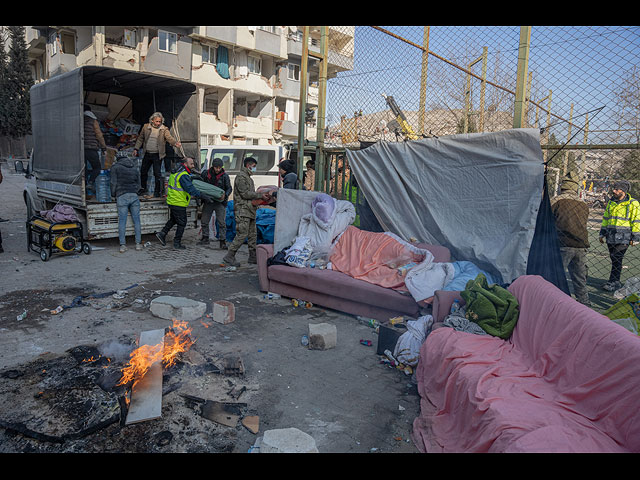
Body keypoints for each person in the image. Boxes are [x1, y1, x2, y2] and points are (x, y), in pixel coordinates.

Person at [550, 172, 591, 305]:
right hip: (581, 244)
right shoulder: (583, 204)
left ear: (562, 187)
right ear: (576, 188)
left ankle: (554, 303)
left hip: (563, 243)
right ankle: (584, 303)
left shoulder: (556, 200)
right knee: (579, 278)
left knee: (556, 276)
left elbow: (547, 219)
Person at [223, 157, 270, 266]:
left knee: (253, 235)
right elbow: (245, 194)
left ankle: (252, 257)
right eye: (254, 166)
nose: (254, 169)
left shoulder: (248, 178)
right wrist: (260, 196)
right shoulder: (241, 177)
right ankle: (229, 256)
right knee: (242, 234)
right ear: (249, 165)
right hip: (243, 210)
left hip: (250, 210)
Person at [599, 180, 640, 292]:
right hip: (610, 236)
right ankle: (614, 281)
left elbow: (636, 221)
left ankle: (613, 282)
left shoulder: (633, 203)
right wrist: (602, 233)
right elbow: (606, 219)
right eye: (614, 188)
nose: (614, 191)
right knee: (614, 259)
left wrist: (636, 237)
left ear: (624, 191)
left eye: (617, 189)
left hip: (624, 237)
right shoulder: (611, 202)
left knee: (617, 258)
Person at [155, 157, 204, 250]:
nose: (193, 166)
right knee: (182, 223)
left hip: (173, 201)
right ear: (185, 164)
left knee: (174, 219)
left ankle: (162, 234)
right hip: (178, 202)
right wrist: (202, 195)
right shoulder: (183, 175)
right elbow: (190, 189)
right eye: (191, 164)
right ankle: (177, 243)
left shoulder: (176, 172)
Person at [133, 112, 181, 198]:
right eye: (157, 121)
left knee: (157, 174)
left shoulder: (164, 129)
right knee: (143, 171)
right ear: (152, 121)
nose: (158, 123)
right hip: (147, 153)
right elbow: (140, 139)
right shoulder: (145, 127)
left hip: (157, 155)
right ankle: (143, 188)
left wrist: (175, 143)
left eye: (160, 121)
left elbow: (169, 138)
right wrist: (136, 149)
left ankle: (157, 191)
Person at [110, 153, 142, 253]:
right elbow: (139, 183)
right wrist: (135, 191)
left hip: (121, 195)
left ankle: (123, 246)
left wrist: (113, 194)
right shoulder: (134, 167)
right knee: (136, 220)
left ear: (117, 159)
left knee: (122, 221)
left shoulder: (115, 167)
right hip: (134, 195)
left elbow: (113, 182)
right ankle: (138, 244)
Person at [199, 158, 232, 249]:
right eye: (216, 167)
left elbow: (229, 188)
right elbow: (201, 184)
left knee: (222, 222)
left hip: (220, 203)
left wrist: (225, 196)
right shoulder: (206, 174)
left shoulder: (225, 176)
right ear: (212, 167)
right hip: (208, 201)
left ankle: (222, 241)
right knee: (204, 221)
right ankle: (205, 238)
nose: (218, 169)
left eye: (219, 167)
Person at [83, 105, 107, 196]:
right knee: (97, 168)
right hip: (91, 148)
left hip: (81, 150)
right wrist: (104, 147)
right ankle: (90, 182)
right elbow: (99, 135)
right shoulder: (93, 121)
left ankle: (84, 190)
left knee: (83, 170)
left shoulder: (79, 120)